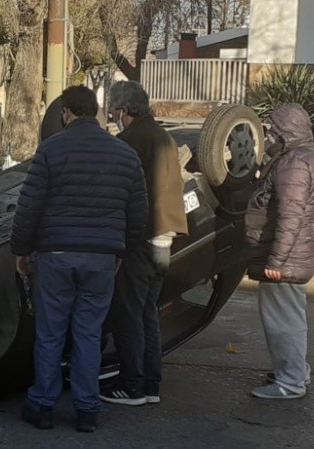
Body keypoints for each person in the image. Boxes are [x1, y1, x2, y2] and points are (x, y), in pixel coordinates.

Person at [11, 85, 147, 432]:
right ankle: (87, 410)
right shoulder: (125, 154)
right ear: (98, 112)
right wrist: (122, 251)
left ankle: (42, 405)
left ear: (66, 113)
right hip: (102, 258)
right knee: (88, 334)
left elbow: (29, 207)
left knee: (51, 333)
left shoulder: (51, 149)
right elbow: (138, 214)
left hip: (55, 255)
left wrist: (21, 251)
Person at [99, 81, 188, 406]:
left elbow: (121, 195)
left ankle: (132, 384)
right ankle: (151, 382)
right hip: (166, 236)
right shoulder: (163, 136)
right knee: (148, 313)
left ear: (124, 110)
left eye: (114, 109)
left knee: (128, 313)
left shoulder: (130, 142)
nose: (113, 115)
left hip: (141, 239)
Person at [245, 103, 314, 399]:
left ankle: (290, 382)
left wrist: (276, 261)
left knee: (282, 323)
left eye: (272, 130)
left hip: (286, 258)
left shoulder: (293, 163)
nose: (267, 136)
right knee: (291, 318)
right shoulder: (307, 155)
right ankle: (297, 372)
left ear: (286, 131)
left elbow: (290, 216)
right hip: (295, 254)